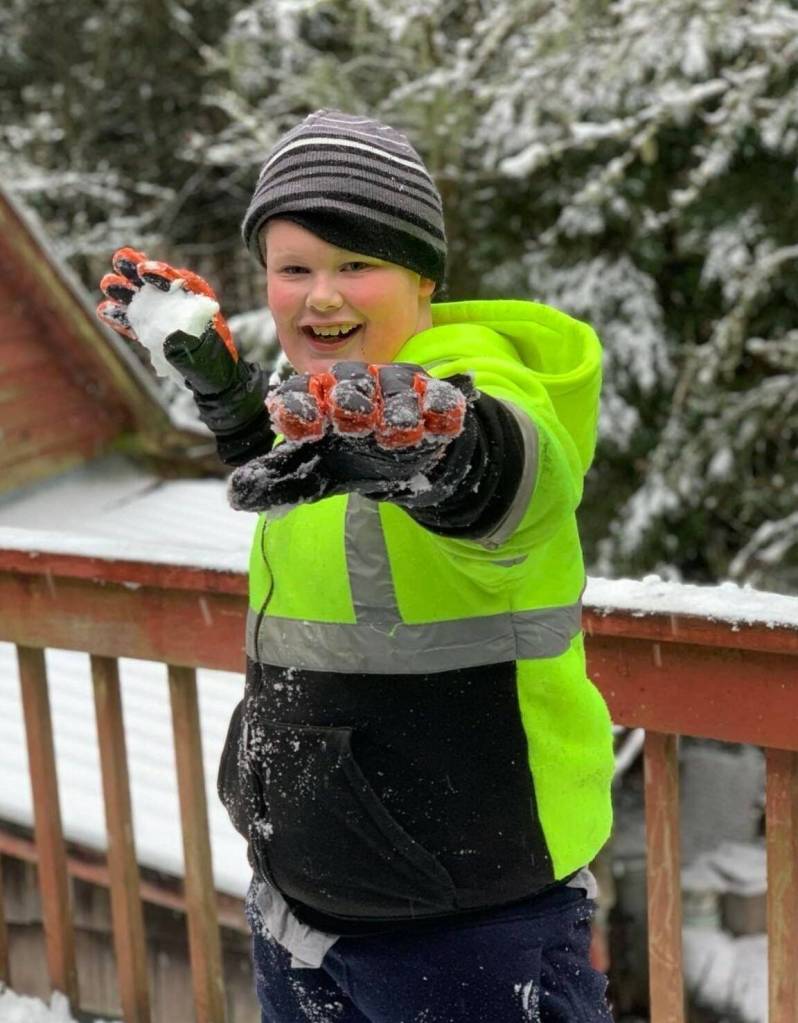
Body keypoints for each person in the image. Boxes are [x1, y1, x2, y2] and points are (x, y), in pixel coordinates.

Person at [98, 110, 615, 1023]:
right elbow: (303, 458)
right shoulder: (328, 411)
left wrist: (442, 452)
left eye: (356, 265)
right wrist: (229, 396)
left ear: (423, 278)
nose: (320, 296)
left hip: (468, 933)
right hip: (302, 908)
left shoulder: (468, 385)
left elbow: (509, 471)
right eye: (294, 268)